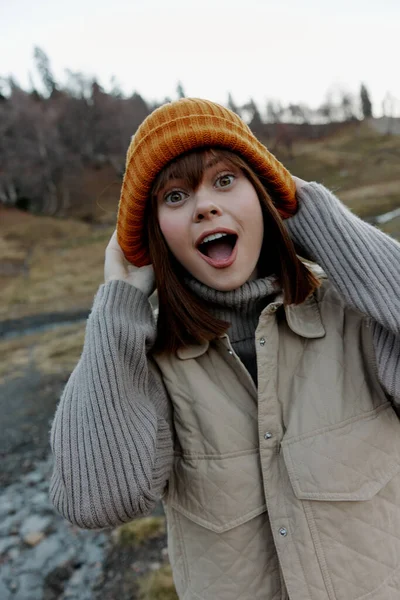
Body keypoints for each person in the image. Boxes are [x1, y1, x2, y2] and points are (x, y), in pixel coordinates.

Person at [49, 98, 400, 600]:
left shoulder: (356, 318)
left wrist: (314, 218)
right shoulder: (149, 365)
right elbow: (96, 501)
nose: (205, 206)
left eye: (225, 180)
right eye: (174, 196)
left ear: (264, 196)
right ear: (156, 234)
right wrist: (120, 301)